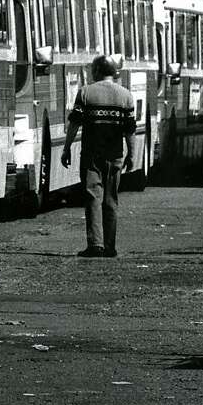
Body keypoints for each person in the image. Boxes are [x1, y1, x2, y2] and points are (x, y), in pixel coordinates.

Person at [61, 55, 136, 258]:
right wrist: (132, 154)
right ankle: (110, 246)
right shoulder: (126, 96)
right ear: (114, 72)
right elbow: (130, 131)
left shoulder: (86, 93)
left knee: (93, 197)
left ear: (95, 72)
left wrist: (67, 148)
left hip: (91, 155)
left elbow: (74, 124)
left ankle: (95, 244)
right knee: (111, 199)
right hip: (115, 155)